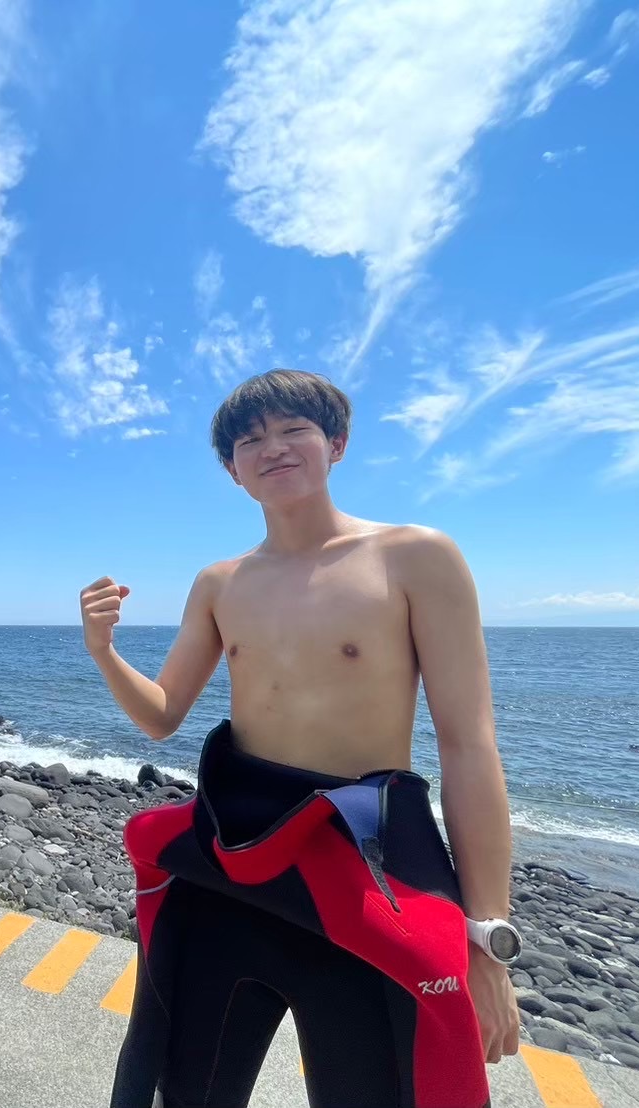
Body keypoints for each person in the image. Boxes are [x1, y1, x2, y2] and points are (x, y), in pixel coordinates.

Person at [84, 369, 519, 1108]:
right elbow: (160, 716)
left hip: (355, 861)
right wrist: (103, 651)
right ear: (232, 470)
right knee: (183, 1088)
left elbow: (468, 745)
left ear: (336, 444)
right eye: (250, 439)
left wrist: (486, 942)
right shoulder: (220, 582)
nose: (273, 447)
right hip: (234, 855)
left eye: (294, 429)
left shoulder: (413, 556)